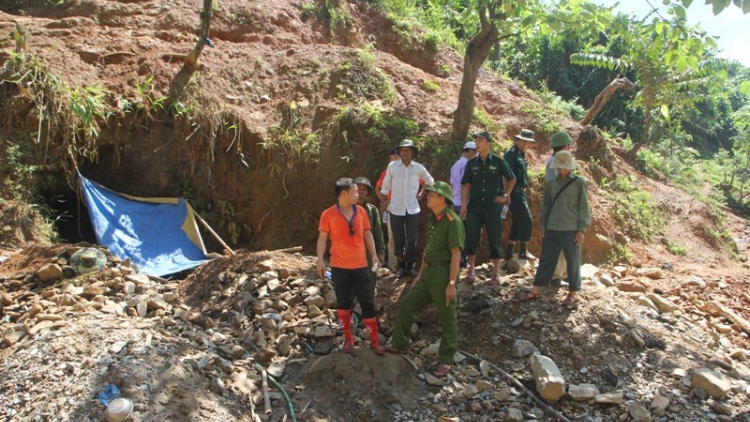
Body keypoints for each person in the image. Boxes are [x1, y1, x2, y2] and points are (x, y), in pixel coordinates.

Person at [386, 181, 464, 378]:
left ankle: (446, 360)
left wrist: (452, 283)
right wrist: (420, 274)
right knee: (408, 303)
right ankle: (400, 344)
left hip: (444, 274)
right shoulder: (432, 220)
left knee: (447, 318)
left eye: (432, 194)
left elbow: (456, 254)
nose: (428, 196)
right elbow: (428, 251)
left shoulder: (452, 221)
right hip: (429, 273)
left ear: (442, 198)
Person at [317, 178, 385, 354]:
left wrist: (375, 255)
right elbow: (322, 239)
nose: (359, 195)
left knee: (367, 302)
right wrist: (319, 260)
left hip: (360, 266)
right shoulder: (328, 214)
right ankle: (348, 338)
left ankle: (374, 340)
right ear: (344, 194)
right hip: (339, 267)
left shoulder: (361, 212)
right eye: (355, 191)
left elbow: (368, 234)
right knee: (343, 303)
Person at [520, 151, 591, 306]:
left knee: (573, 260)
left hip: (571, 227)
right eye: (559, 167)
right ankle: (536, 289)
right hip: (552, 227)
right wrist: (543, 225)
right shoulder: (552, 183)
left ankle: (572, 293)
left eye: (564, 167)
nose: (562, 170)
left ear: (570, 167)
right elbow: (545, 206)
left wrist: (582, 230)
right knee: (546, 258)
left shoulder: (579, 183)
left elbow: (584, 207)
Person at [460, 131, 516, 284]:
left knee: (494, 237)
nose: (477, 143)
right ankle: (471, 269)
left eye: (481, 140)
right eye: (476, 140)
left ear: (489, 143)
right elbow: (466, 185)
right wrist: (464, 204)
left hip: (492, 206)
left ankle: (496, 272)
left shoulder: (498, 161)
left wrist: (505, 195)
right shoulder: (471, 164)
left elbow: (512, 178)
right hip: (475, 206)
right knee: (471, 236)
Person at [379, 139, 435, 278]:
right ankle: (400, 266)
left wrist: (422, 193)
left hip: (412, 208)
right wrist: (383, 202)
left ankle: (410, 266)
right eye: (403, 150)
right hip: (395, 208)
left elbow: (430, 181)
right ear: (400, 152)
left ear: (412, 152)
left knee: (411, 238)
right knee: (398, 238)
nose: (405, 152)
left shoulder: (418, 168)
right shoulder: (392, 167)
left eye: (408, 150)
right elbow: (385, 186)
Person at [546, 131, 575, 283]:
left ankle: (562, 274)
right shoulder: (557, 163)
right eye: (569, 145)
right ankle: (556, 276)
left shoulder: (553, 161)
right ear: (564, 146)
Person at [503, 129, 537, 261]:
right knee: (527, 219)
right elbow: (505, 175)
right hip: (514, 191)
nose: (530, 146)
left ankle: (509, 251)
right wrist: (507, 193)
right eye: (528, 142)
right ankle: (523, 250)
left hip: (520, 191)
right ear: (522, 141)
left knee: (517, 221)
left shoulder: (521, 155)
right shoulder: (510, 154)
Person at [450, 140, 477, 268]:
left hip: (455, 202)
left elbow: (452, 185)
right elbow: (464, 185)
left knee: (457, 233)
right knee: (465, 233)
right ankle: (462, 261)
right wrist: (465, 204)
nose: (476, 154)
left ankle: (456, 260)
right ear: (470, 151)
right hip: (463, 204)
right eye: (475, 151)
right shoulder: (468, 164)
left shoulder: (455, 164)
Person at [377, 148, 402, 270]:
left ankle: (405, 265)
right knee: (391, 236)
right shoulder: (386, 172)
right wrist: (383, 201)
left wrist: (419, 196)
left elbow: (423, 182)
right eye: (391, 158)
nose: (393, 161)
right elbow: (378, 188)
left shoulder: (409, 171)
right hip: (391, 206)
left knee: (406, 237)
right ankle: (393, 264)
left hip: (405, 207)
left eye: (395, 158)